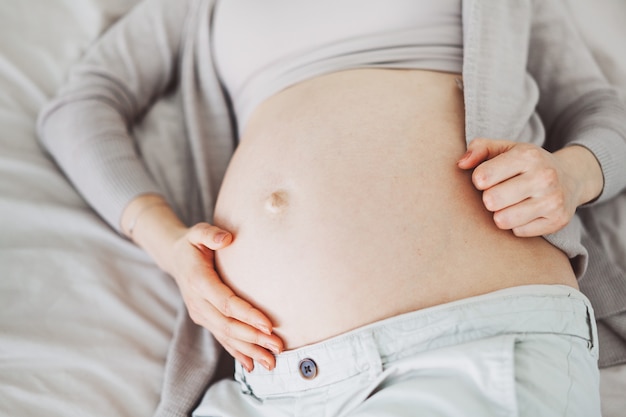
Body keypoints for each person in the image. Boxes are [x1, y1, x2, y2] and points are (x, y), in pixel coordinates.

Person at [37, 0, 626, 416]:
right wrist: (169, 247)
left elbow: (602, 108)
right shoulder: (197, 6)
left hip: (470, 346)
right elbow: (80, 106)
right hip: (267, 383)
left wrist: (573, 175)